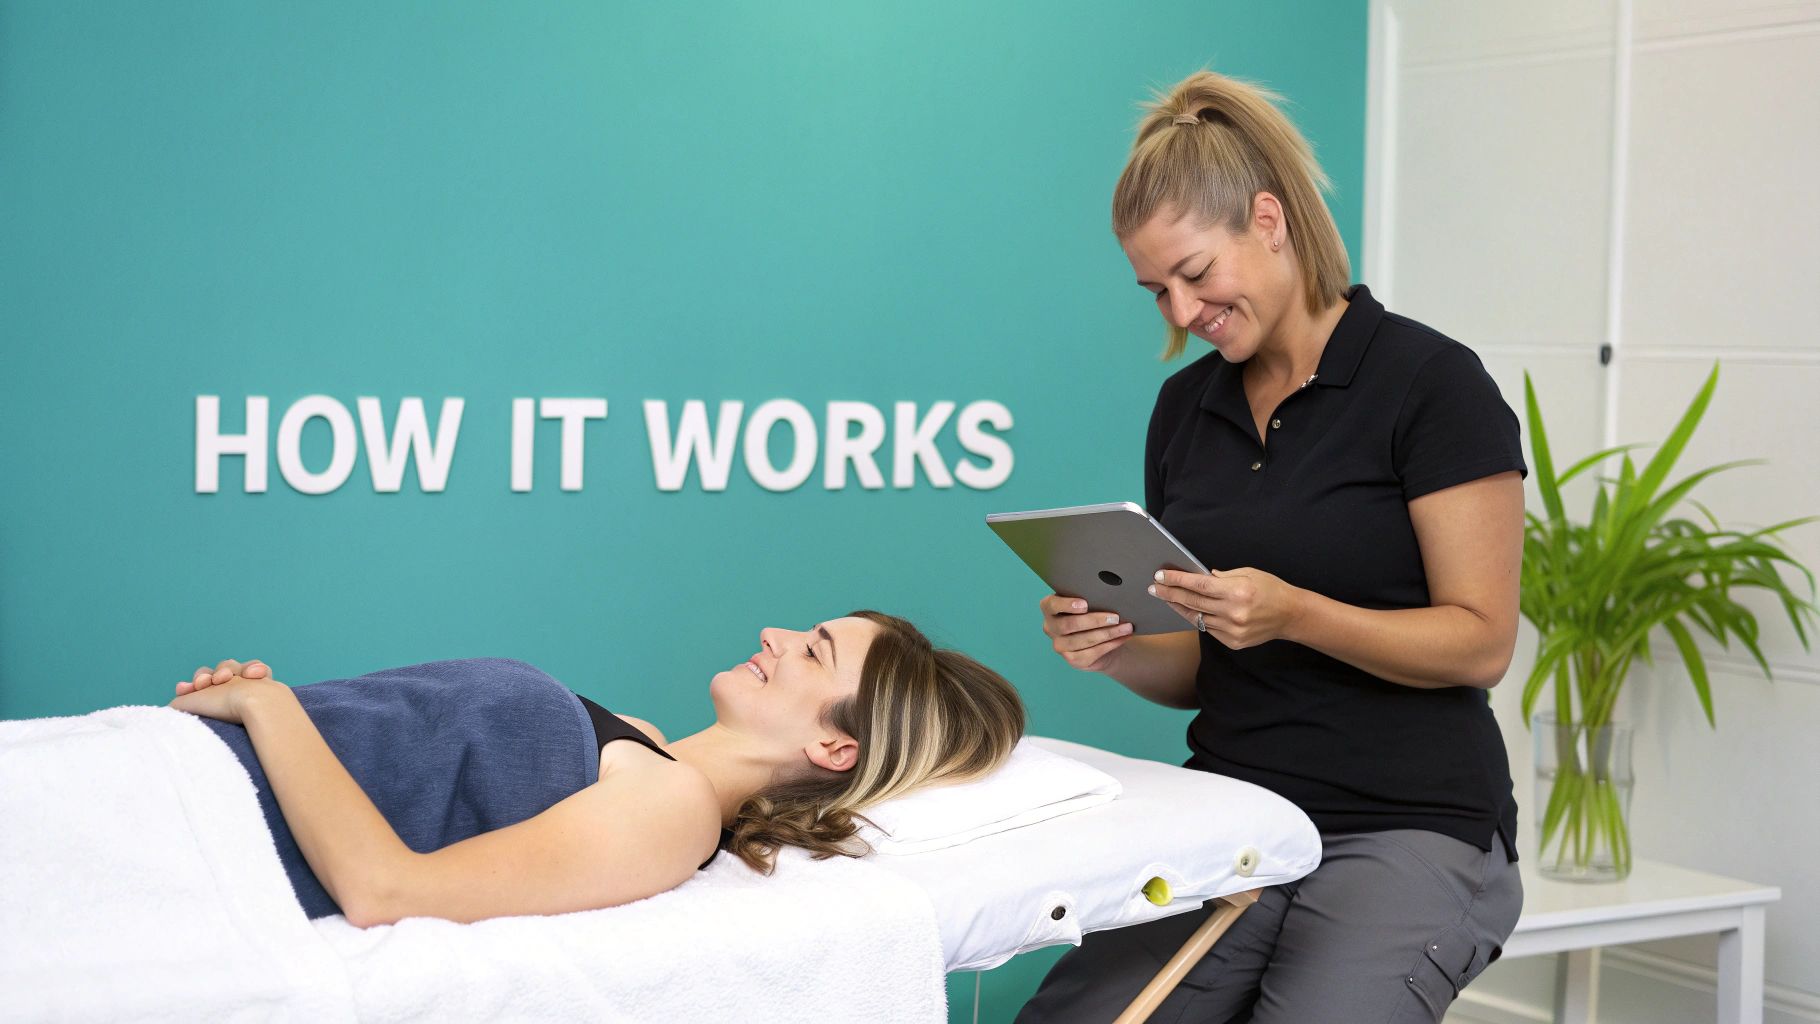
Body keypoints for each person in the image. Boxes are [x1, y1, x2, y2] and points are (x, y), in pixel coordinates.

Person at [1016, 71, 1526, 1023]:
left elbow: (1480, 640)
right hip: (1237, 810)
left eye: (1197, 274)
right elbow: (1203, 668)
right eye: (1156, 289)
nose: (1179, 311)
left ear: (1268, 218)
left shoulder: (1431, 383)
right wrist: (1120, 647)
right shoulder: (1186, 409)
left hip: (1409, 820)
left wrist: (1296, 613)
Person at [169, 610, 1024, 927]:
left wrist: (270, 709)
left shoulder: (673, 814)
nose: (774, 634)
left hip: (191, 837)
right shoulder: (640, 746)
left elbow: (387, 891)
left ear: (836, 748)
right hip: (180, 771)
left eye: (813, 651)